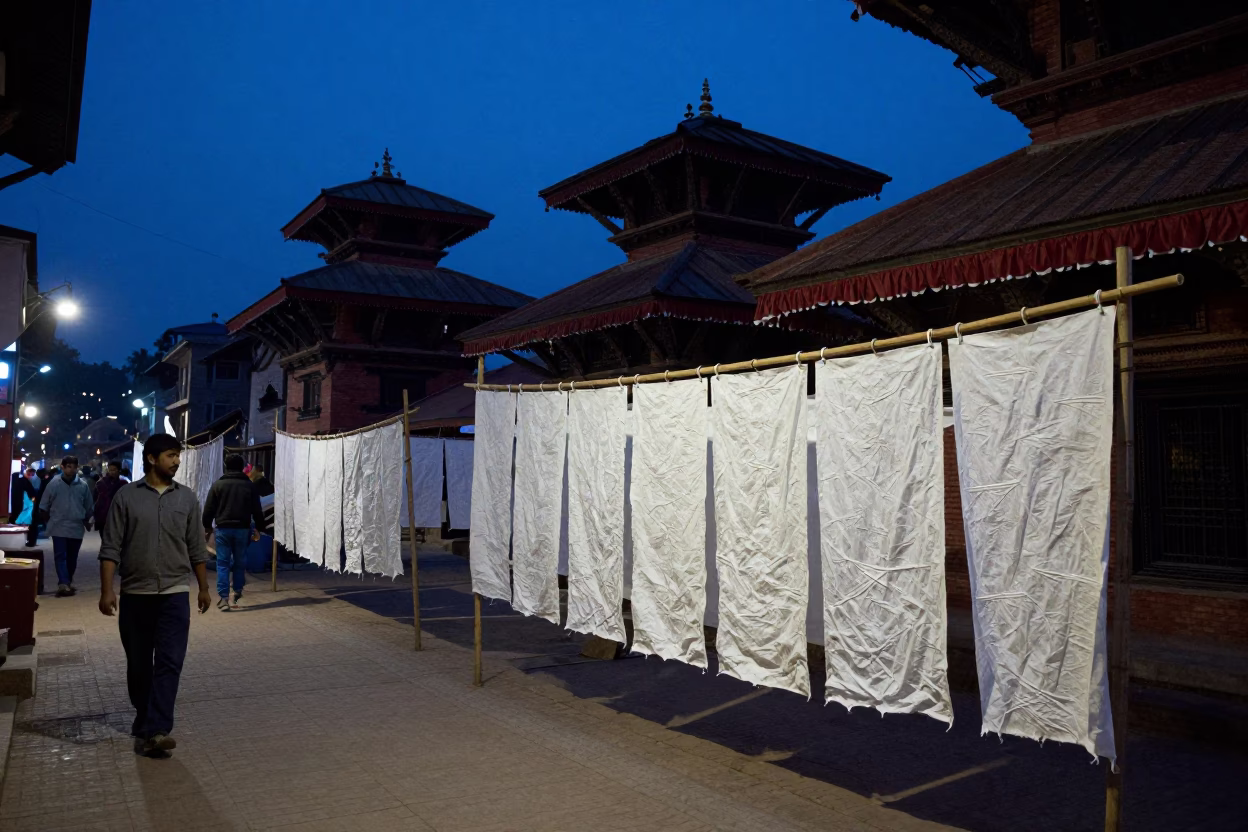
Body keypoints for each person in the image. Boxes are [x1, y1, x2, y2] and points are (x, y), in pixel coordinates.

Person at [98, 433, 211, 759]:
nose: (177, 461)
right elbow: (111, 547)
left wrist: (203, 588)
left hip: (175, 594)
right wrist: (107, 590)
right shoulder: (126, 497)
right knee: (138, 665)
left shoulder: (187, 498)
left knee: (170, 661)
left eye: (178, 455)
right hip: (136, 594)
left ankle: (157, 729)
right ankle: (145, 716)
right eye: (171, 455)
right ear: (151, 458)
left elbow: (196, 547)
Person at [202, 454, 264, 611]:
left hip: (223, 529)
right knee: (239, 562)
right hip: (243, 529)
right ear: (242, 467)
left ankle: (224, 599)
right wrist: (259, 527)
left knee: (222, 563)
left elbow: (208, 509)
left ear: (226, 466)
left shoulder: (218, 485)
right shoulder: (249, 486)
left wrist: (207, 526)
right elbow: (257, 509)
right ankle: (237, 591)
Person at [40, 455, 95, 596]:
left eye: (74, 467)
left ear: (77, 468)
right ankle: (63, 583)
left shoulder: (82, 486)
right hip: (58, 525)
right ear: (62, 467)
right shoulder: (53, 484)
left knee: (72, 557)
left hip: (76, 526)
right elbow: (44, 505)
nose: (71, 469)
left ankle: (67, 581)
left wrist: (88, 521)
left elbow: (88, 506)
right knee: (60, 556)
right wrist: (48, 522)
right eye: (68, 466)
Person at [94, 461, 127, 535]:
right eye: (110, 470)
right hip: (103, 517)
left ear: (119, 470)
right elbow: (95, 499)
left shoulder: (123, 484)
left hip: (118, 517)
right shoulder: (100, 483)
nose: (112, 472)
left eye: (114, 470)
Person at [25, 468, 51, 547]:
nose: (46, 476)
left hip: (36, 505)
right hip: (37, 505)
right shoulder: (40, 481)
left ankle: (32, 541)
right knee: (34, 524)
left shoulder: (40, 480)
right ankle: (32, 541)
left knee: (34, 524)